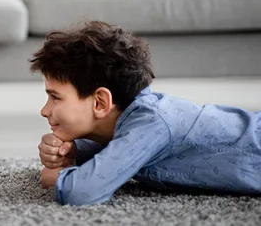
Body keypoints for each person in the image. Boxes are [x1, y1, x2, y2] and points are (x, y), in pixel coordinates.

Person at [31, 20, 261, 205]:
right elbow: (117, 151)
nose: (44, 110)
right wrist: (72, 150)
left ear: (100, 102)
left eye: (55, 97)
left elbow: (82, 192)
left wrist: (59, 179)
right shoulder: (131, 121)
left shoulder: (151, 122)